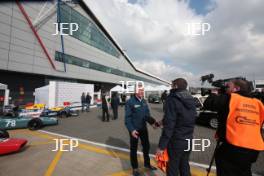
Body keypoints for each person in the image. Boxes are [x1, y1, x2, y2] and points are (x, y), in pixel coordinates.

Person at [203, 79, 264, 176]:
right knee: (244, 172)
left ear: (236, 89)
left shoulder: (231, 98)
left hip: (234, 146)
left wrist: (214, 93)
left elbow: (208, 103)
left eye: (227, 87)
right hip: (253, 148)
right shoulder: (258, 103)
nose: (225, 89)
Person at [157, 78, 196, 176]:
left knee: (172, 168)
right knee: (184, 165)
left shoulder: (173, 98)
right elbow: (182, 116)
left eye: (171, 85)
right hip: (189, 139)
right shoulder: (190, 98)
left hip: (176, 140)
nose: (170, 87)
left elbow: (170, 125)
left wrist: (161, 146)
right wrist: (162, 121)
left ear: (175, 86)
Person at [125, 83, 158, 176]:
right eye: (140, 90)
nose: (141, 92)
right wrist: (131, 130)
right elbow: (127, 118)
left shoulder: (144, 101)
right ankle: (135, 168)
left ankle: (147, 164)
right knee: (133, 149)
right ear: (135, 91)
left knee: (146, 147)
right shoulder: (130, 102)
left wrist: (153, 123)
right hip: (134, 130)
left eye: (142, 90)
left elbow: (147, 116)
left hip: (143, 129)